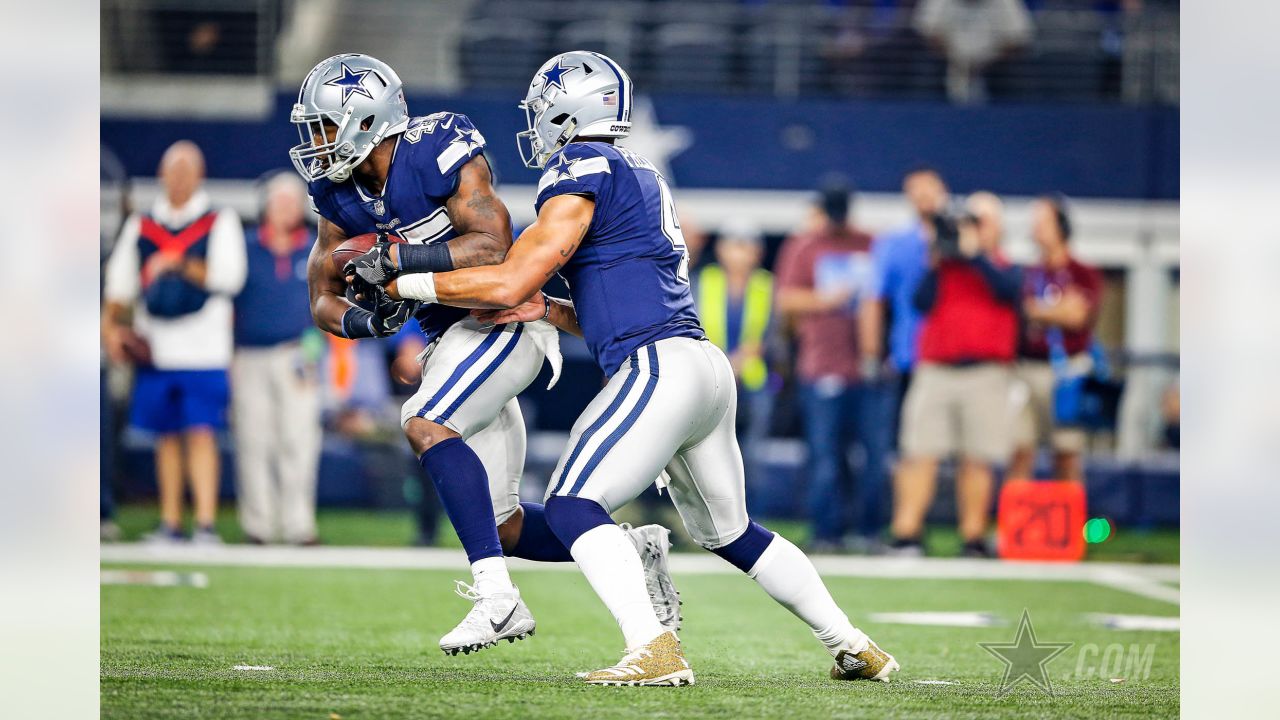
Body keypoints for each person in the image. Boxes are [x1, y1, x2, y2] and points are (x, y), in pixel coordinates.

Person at [378, 50, 899, 687]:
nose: (538, 126)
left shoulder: (581, 164)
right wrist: (550, 308)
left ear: (571, 111)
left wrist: (408, 280)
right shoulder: (638, 171)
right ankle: (852, 642)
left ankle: (652, 647)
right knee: (733, 533)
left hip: (658, 367)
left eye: (544, 112)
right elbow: (602, 302)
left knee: (572, 506)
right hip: (701, 366)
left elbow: (513, 274)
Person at [293, 54, 679, 655]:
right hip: (455, 342)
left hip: (500, 322)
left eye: (323, 126)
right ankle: (633, 549)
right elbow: (321, 295)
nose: (315, 143)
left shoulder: (434, 149)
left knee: (424, 421)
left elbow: (492, 245)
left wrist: (396, 262)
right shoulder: (336, 194)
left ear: (368, 121)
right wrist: (367, 320)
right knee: (506, 525)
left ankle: (498, 600)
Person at [103, 140, 247, 544]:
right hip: (157, 348)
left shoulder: (219, 220)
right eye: (173, 170)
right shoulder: (143, 225)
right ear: (163, 174)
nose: (179, 179)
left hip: (204, 348)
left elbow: (229, 277)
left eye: (186, 170)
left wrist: (178, 264)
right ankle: (170, 522)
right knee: (165, 436)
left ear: (199, 175)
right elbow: (120, 284)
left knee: (201, 432)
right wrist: (111, 327)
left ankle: (204, 522)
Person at [889, 192, 1021, 558]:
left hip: (985, 372)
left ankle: (973, 538)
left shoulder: (1004, 266)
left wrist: (975, 252)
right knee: (919, 453)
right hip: (936, 370)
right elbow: (920, 302)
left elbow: (1008, 291)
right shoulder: (942, 266)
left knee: (977, 457)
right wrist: (938, 257)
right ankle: (907, 534)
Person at [775, 182, 884, 551]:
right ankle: (827, 532)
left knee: (874, 456)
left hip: (869, 368)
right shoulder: (805, 246)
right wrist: (827, 299)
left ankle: (869, 531)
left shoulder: (870, 244)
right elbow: (786, 299)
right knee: (825, 457)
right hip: (822, 366)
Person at [231, 173, 325, 545]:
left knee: (299, 440)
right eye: (279, 202)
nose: (286, 209)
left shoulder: (315, 249)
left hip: (297, 356)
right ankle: (258, 525)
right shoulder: (245, 248)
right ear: (265, 206)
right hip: (249, 354)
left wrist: (317, 350)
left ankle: (299, 524)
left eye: (292, 202)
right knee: (253, 441)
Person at [1009, 196, 1104, 483]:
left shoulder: (1082, 272)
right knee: (1020, 448)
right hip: (1027, 369)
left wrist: (1037, 311)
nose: (1036, 230)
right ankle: (1016, 525)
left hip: (1067, 371)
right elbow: (1021, 311)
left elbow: (1077, 317)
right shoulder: (1028, 273)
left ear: (1061, 226)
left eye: (1043, 223)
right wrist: (1057, 310)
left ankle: (1070, 522)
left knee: (1067, 451)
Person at [861, 167, 949, 448]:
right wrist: (872, 353)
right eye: (917, 191)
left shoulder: (963, 243)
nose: (925, 197)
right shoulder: (893, 244)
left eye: (930, 189)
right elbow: (874, 300)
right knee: (908, 443)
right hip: (909, 356)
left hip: (953, 357)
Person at [695, 220, 775, 498]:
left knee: (752, 453)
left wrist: (750, 355)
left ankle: (753, 515)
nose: (740, 254)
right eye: (734, 246)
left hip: (755, 381)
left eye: (747, 247)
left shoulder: (767, 285)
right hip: (712, 379)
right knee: (709, 450)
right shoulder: (705, 281)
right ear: (721, 250)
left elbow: (776, 333)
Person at [913, 0, 1033, 103]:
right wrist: (957, 61)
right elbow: (929, 32)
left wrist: (985, 62)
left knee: (1020, 73)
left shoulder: (1006, 2)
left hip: (994, 65)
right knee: (924, 68)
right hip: (948, 61)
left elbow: (1017, 39)